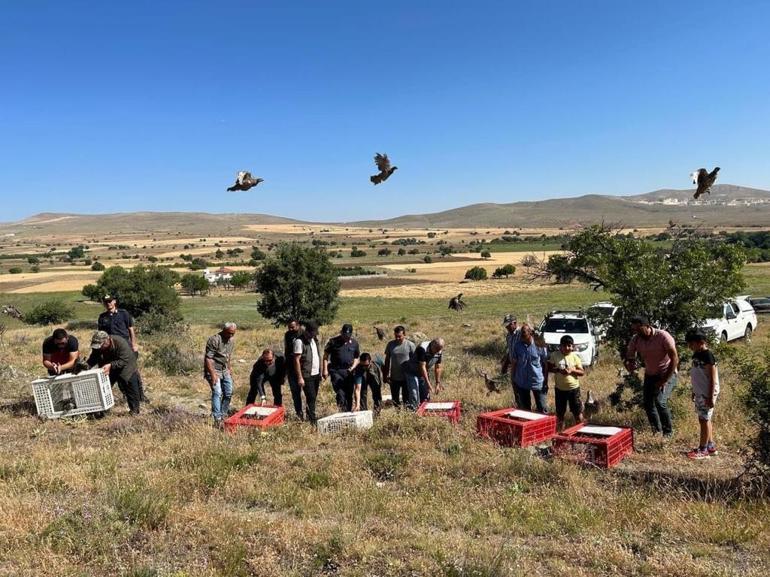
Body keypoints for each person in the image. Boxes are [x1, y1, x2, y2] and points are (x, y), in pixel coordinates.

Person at [624, 316, 679, 437]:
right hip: (650, 374)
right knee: (648, 403)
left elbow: (674, 359)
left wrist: (664, 380)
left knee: (660, 402)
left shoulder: (663, 336)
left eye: (639, 329)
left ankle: (668, 434)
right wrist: (630, 364)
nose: (636, 332)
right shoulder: (636, 339)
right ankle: (656, 432)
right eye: (634, 330)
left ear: (648, 326)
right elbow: (630, 356)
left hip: (667, 373)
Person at [98, 295, 148, 402]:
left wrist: (134, 344)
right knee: (117, 372)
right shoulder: (102, 317)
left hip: (126, 348)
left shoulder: (123, 313)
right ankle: (127, 394)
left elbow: (130, 329)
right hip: (112, 349)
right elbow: (101, 335)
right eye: (106, 302)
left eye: (110, 301)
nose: (108, 304)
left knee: (132, 371)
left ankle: (140, 396)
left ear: (114, 302)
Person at [87, 330, 141, 415]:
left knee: (129, 384)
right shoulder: (98, 347)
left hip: (126, 364)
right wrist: (87, 366)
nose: (99, 348)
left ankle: (134, 410)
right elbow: (93, 358)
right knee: (103, 387)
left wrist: (111, 365)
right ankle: (103, 410)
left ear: (107, 340)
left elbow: (124, 360)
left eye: (101, 346)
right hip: (108, 365)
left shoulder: (120, 342)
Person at [685, 330, 719, 459]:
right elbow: (697, 375)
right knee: (704, 419)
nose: (690, 347)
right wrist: (694, 391)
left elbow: (712, 379)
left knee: (704, 420)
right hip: (700, 392)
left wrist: (710, 397)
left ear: (701, 342)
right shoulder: (696, 354)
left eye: (692, 344)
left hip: (707, 393)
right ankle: (710, 446)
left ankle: (703, 450)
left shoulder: (708, 356)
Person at [509, 324, 549, 413]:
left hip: (537, 381)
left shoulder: (539, 345)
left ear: (530, 333)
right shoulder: (517, 346)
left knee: (542, 408)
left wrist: (545, 380)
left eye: (524, 334)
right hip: (522, 381)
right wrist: (513, 379)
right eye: (521, 334)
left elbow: (545, 364)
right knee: (525, 410)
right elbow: (514, 364)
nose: (521, 337)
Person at [548, 335, 585, 428]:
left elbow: (582, 372)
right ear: (560, 346)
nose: (567, 348)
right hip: (560, 389)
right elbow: (549, 368)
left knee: (577, 413)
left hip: (573, 389)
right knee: (560, 414)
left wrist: (572, 370)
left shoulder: (575, 357)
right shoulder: (554, 355)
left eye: (569, 346)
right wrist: (559, 370)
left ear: (573, 346)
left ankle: (580, 431)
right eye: (564, 346)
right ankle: (561, 432)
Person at [204, 322, 237, 426]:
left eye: (233, 333)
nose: (231, 336)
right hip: (214, 369)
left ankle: (223, 414)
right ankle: (216, 417)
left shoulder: (231, 341)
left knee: (228, 392)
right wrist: (213, 374)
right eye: (229, 333)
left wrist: (229, 368)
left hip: (224, 369)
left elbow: (228, 356)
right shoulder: (214, 340)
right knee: (217, 392)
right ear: (224, 330)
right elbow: (208, 358)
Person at [323, 323, 360, 411]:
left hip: (349, 371)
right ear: (341, 333)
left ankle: (348, 412)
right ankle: (342, 410)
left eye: (348, 335)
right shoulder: (332, 342)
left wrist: (353, 367)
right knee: (340, 392)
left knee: (349, 393)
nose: (346, 337)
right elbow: (325, 356)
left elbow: (356, 357)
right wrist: (325, 370)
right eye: (344, 335)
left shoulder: (354, 343)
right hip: (336, 370)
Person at [402, 338, 444, 410]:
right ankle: (414, 412)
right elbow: (422, 367)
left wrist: (437, 383)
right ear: (432, 344)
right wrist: (428, 384)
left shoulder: (438, 350)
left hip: (422, 373)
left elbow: (438, 368)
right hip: (412, 372)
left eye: (439, 350)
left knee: (425, 395)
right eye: (436, 349)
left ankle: (424, 411)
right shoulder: (422, 348)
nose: (437, 352)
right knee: (414, 393)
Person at [293, 320, 322, 424]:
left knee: (313, 398)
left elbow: (318, 355)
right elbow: (296, 360)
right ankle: (312, 421)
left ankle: (311, 416)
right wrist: (300, 377)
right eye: (313, 333)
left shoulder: (314, 340)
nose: (314, 335)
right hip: (306, 374)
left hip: (316, 374)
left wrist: (321, 371)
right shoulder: (299, 341)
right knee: (311, 397)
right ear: (308, 331)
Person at [383, 325, 415, 408]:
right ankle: (398, 414)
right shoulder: (390, 345)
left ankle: (406, 415)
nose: (397, 338)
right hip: (394, 378)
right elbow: (387, 360)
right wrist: (385, 375)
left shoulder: (410, 345)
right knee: (395, 400)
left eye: (399, 336)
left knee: (406, 399)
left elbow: (415, 361)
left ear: (404, 334)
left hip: (407, 377)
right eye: (396, 336)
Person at [283, 320, 303, 419]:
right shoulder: (287, 335)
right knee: (295, 393)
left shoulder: (303, 334)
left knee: (308, 392)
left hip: (303, 367)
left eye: (293, 327)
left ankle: (309, 413)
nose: (291, 329)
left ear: (298, 326)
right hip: (291, 367)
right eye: (289, 327)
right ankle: (299, 413)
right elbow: (286, 349)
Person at [500, 314, 522, 406]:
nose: (507, 327)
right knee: (516, 391)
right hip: (514, 367)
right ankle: (520, 408)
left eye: (509, 325)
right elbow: (510, 351)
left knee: (523, 391)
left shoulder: (522, 333)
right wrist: (505, 363)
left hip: (522, 367)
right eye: (506, 325)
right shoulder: (509, 336)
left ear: (515, 323)